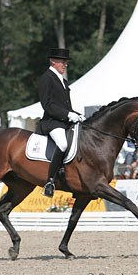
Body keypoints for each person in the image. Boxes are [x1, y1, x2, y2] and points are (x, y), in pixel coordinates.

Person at [36, 48, 83, 198]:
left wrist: (75, 114)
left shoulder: (63, 80)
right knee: (63, 144)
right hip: (52, 122)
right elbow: (48, 105)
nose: (65, 65)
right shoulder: (46, 78)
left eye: (66, 62)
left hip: (63, 121)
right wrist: (67, 114)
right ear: (53, 61)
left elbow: (65, 105)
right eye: (63, 62)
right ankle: (50, 181)